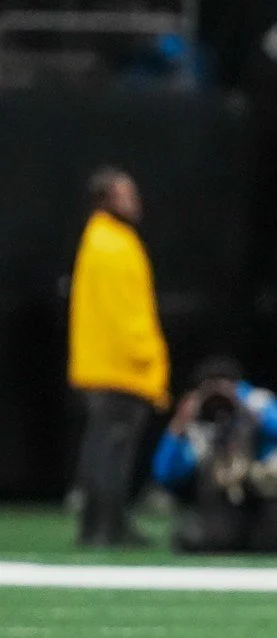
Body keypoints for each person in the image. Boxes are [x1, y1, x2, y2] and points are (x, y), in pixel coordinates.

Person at [68, 167, 170, 548]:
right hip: (120, 368)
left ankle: (94, 526)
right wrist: (149, 356)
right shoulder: (113, 244)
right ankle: (109, 527)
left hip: (103, 365)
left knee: (101, 448)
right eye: (127, 194)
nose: (135, 201)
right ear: (106, 199)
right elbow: (127, 312)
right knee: (112, 452)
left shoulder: (99, 239)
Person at [152, 358, 277, 553]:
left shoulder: (259, 401)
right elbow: (166, 473)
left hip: (270, 496)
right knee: (201, 539)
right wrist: (179, 425)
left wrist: (241, 401)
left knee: (272, 542)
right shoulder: (200, 419)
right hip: (228, 502)